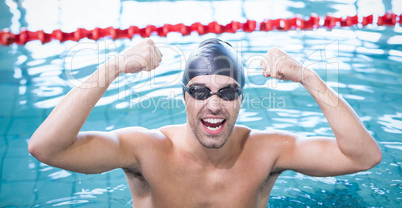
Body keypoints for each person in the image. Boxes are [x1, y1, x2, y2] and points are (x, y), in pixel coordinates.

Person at [29, 38, 382, 208]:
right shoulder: (146, 151)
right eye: (200, 91)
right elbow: (46, 147)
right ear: (184, 98)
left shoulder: (267, 151)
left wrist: (308, 76)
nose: (214, 105)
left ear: (242, 100)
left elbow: (363, 157)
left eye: (228, 93)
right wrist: (114, 66)